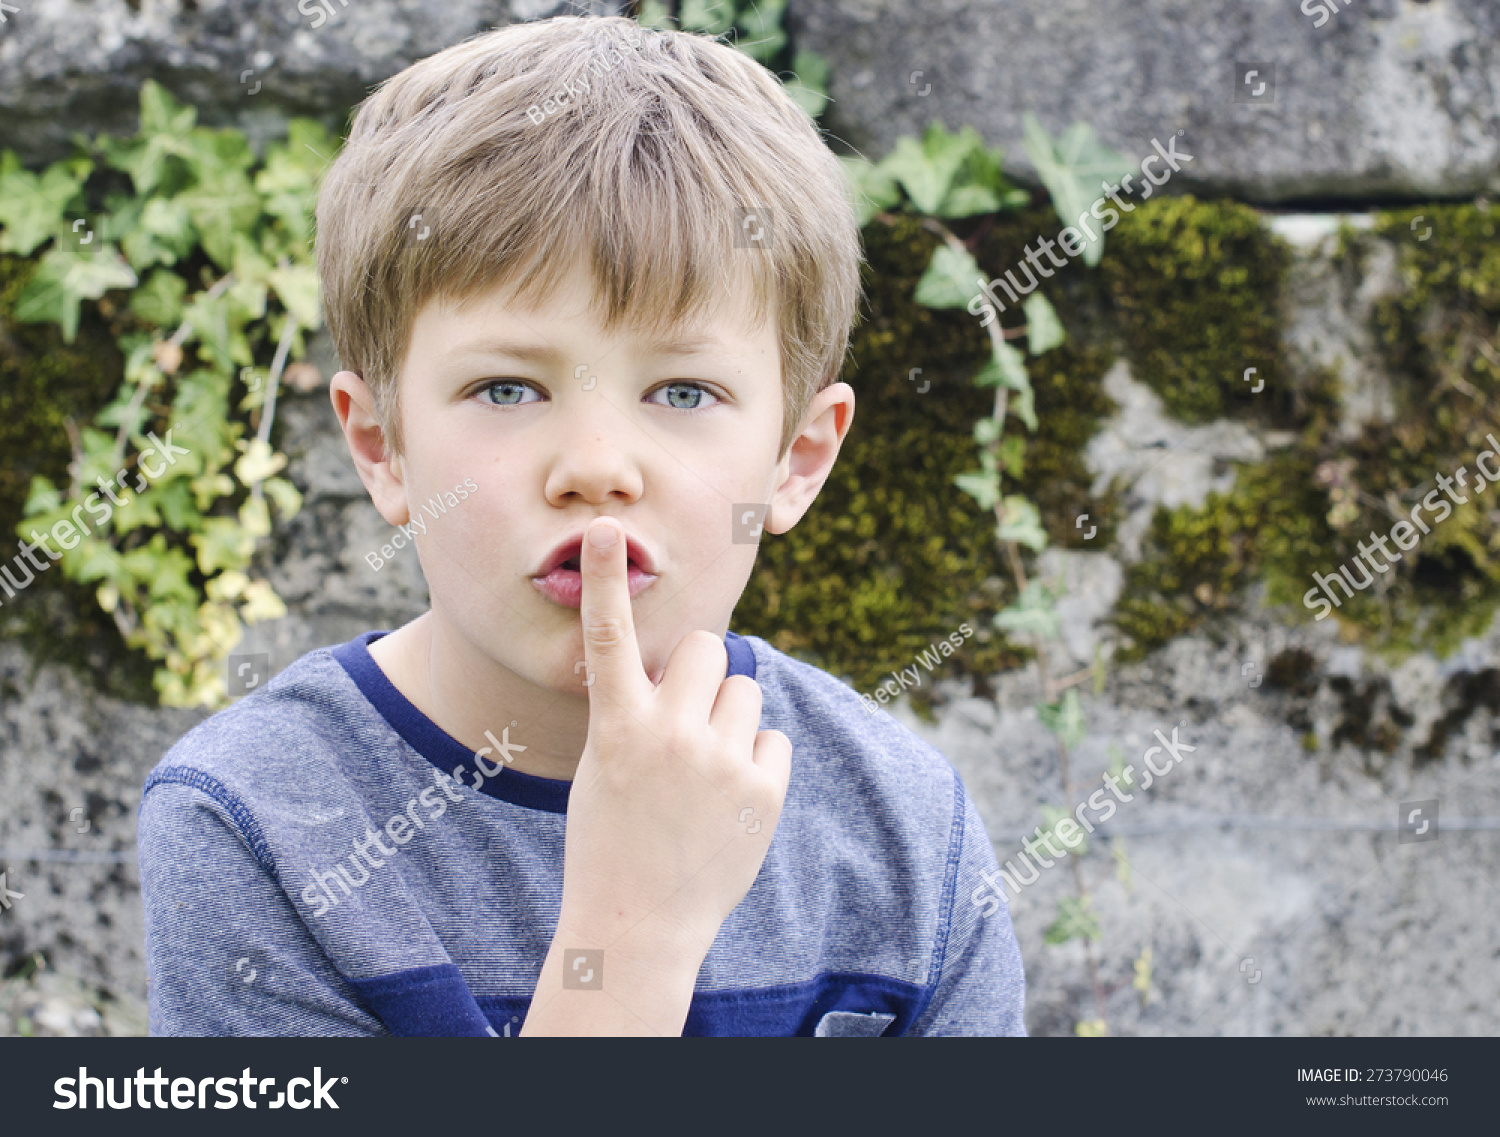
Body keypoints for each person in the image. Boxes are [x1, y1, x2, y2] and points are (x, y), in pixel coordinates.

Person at [138, 14, 1025, 1036]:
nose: (597, 468)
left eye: (685, 393)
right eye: (508, 388)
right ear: (382, 447)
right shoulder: (255, 824)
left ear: (798, 460)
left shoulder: (909, 836)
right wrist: (633, 934)